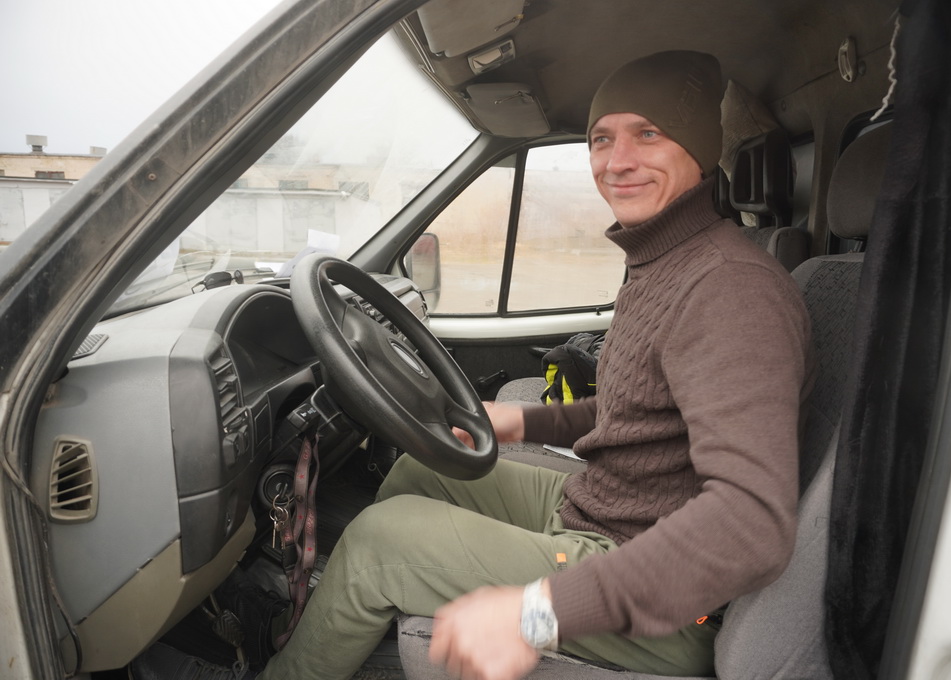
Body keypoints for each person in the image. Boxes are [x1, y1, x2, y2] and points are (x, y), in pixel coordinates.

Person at [131, 50, 814, 680]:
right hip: (608, 509)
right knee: (420, 468)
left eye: (649, 134)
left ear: (699, 148)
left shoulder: (730, 290)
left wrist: (536, 614)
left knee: (378, 541)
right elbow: (635, 413)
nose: (617, 161)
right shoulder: (664, 259)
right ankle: (340, 620)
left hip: (672, 599)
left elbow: (750, 525)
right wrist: (517, 421)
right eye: (602, 139)